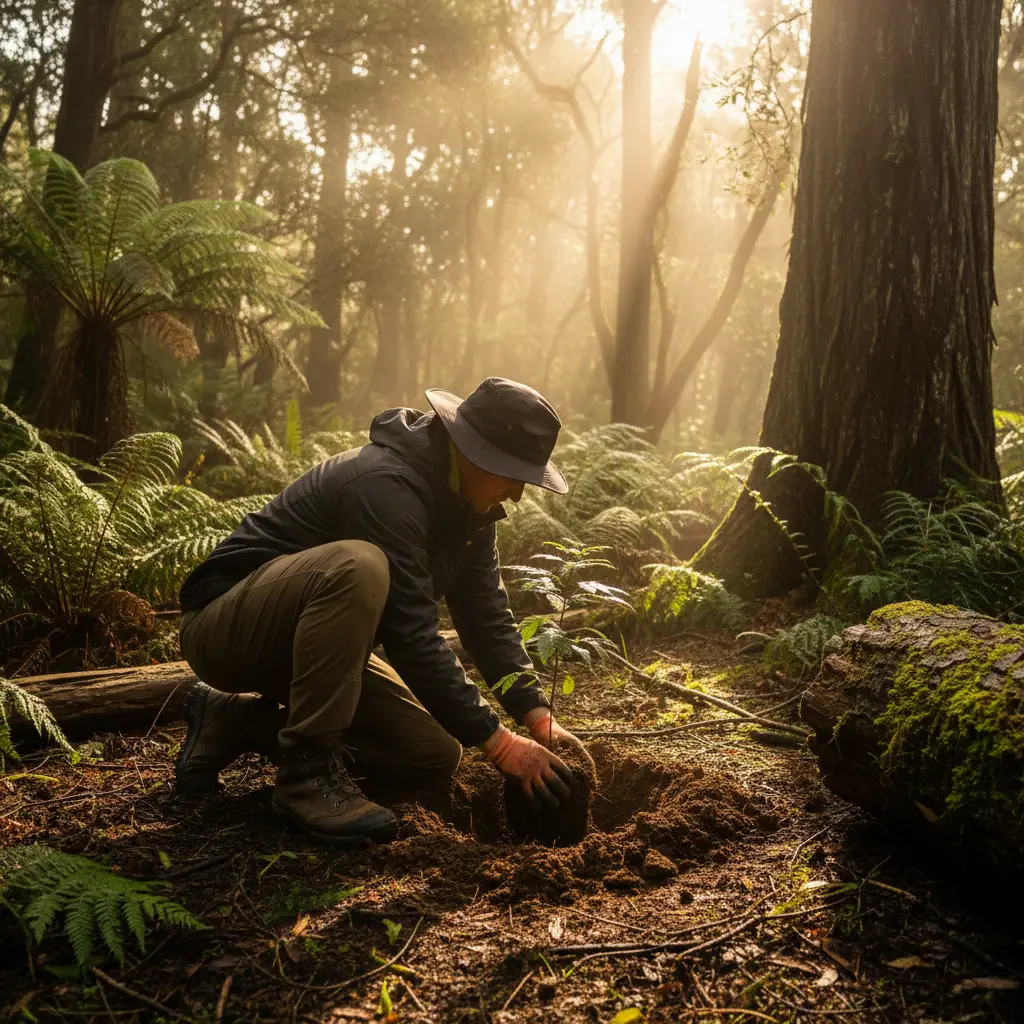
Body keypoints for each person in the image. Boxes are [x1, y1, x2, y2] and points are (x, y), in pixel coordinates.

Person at [175, 377, 593, 846]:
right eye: (514, 475)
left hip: (309, 653)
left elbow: (487, 618)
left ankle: (237, 721)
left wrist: (537, 717)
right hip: (225, 630)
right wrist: (500, 744)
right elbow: (410, 635)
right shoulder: (384, 485)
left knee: (432, 755)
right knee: (360, 565)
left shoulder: (472, 510)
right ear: (474, 452)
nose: (518, 494)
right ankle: (304, 779)